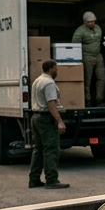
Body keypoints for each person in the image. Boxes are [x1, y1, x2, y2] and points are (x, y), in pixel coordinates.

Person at [28, 60, 70, 189]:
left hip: (35, 117)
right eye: (56, 68)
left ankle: (34, 179)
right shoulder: (49, 83)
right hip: (46, 118)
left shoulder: (37, 81)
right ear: (51, 69)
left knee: (38, 150)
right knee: (51, 149)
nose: (57, 70)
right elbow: (51, 104)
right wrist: (59, 121)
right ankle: (51, 180)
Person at [72, 11, 105, 106]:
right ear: (85, 22)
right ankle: (87, 100)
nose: (92, 23)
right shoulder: (80, 31)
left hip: (98, 56)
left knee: (101, 78)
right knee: (87, 79)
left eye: (93, 21)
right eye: (89, 22)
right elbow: (75, 46)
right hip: (87, 56)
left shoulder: (98, 28)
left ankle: (100, 99)